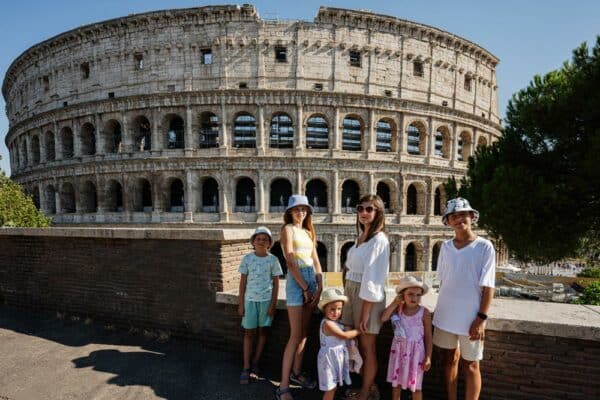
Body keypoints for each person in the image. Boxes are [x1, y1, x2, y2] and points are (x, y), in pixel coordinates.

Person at [433, 197, 496, 400]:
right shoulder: (445, 247)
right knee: (448, 360)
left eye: (463, 215)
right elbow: (443, 282)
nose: (459, 219)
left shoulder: (485, 247)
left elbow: (488, 286)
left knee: (471, 365)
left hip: (471, 317)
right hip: (446, 315)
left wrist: (481, 318)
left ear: (472, 217)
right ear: (448, 221)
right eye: (454, 216)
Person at [340, 194, 390, 400]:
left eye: (370, 209)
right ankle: (370, 388)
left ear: (378, 213)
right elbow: (349, 267)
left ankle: (364, 392)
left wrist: (365, 313)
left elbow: (373, 277)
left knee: (368, 348)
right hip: (352, 292)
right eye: (360, 208)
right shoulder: (361, 236)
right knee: (356, 345)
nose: (364, 213)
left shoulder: (379, 239)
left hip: (366, 297)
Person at [276, 195, 324, 400]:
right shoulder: (288, 229)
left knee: (304, 333)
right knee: (295, 335)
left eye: (304, 209)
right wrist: (305, 287)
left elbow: (315, 259)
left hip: (311, 280)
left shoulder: (308, 232)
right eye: (297, 209)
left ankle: (296, 373)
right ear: (290, 212)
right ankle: (283, 387)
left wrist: (320, 284)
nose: (301, 212)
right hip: (297, 282)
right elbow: (289, 259)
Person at [238, 226, 283, 385]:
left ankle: (256, 363)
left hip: (266, 301)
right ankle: (246, 366)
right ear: (253, 242)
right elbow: (242, 282)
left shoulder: (273, 260)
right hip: (250, 301)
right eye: (258, 239)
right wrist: (241, 303)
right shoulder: (248, 259)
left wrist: (273, 305)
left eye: (265, 239)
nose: (261, 241)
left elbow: (276, 285)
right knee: (249, 334)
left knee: (263, 333)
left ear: (269, 243)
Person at [380, 276, 432, 400]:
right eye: (410, 294)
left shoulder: (424, 313)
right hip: (399, 352)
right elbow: (383, 318)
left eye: (418, 295)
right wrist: (394, 303)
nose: (414, 298)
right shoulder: (398, 310)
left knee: (416, 386)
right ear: (403, 295)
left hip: (416, 354)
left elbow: (429, 336)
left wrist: (428, 357)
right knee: (396, 383)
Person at [317, 288, 361, 400]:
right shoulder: (327, 324)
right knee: (330, 388)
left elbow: (344, 331)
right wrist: (358, 331)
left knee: (334, 386)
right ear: (324, 309)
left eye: (339, 309)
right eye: (332, 309)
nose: (336, 312)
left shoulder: (335, 323)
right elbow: (343, 336)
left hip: (335, 358)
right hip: (328, 360)